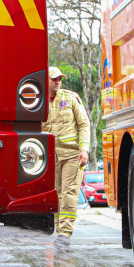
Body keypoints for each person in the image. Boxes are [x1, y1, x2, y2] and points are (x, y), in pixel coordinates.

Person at [43, 66, 91, 246]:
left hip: (72, 155)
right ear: (46, 80)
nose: (58, 82)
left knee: (69, 192)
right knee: (57, 194)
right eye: (54, 79)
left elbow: (84, 124)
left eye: (60, 79)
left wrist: (84, 149)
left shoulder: (70, 98)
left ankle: (65, 233)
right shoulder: (39, 101)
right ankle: (59, 231)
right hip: (51, 157)